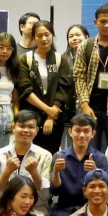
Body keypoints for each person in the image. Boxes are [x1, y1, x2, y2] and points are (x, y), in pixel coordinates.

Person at [73, 3, 108, 151]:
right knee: (89, 149)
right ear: (95, 22)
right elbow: (79, 77)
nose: (106, 25)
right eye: (102, 21)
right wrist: (84, 104)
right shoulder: (86, 46)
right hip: (91, 107)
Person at [0, 110, 53, 216]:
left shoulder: (45, 156)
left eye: (31, 127)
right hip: (3, 210)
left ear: (37, 130)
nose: (26, 130)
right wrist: (7, 172)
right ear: (13, 127)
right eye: (21, 126)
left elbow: (46, 196)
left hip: (34, 211)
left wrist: (34, 173)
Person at [17, 20, 73, 153]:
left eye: (47, 34)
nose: (44, 39)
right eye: (39, 35)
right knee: (28, 153)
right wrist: (47, 109)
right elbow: (25, 89)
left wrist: (51, 116)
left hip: (55, 118)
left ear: (52, 35)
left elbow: (64, 89)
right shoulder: (25, 59)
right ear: (34, 37)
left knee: (50, 155)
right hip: (30, 117)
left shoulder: (60, 60)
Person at [50, 114, 108, 216]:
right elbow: (54, 191)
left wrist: (95, 172)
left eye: (86, 131)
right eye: (77, 131)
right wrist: (56, 172)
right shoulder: (59, 157)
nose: (82, 135)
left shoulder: (100, 158)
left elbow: (103, 192)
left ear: (93, 134)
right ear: (70, 132)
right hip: (63, 208)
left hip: (91, 209)